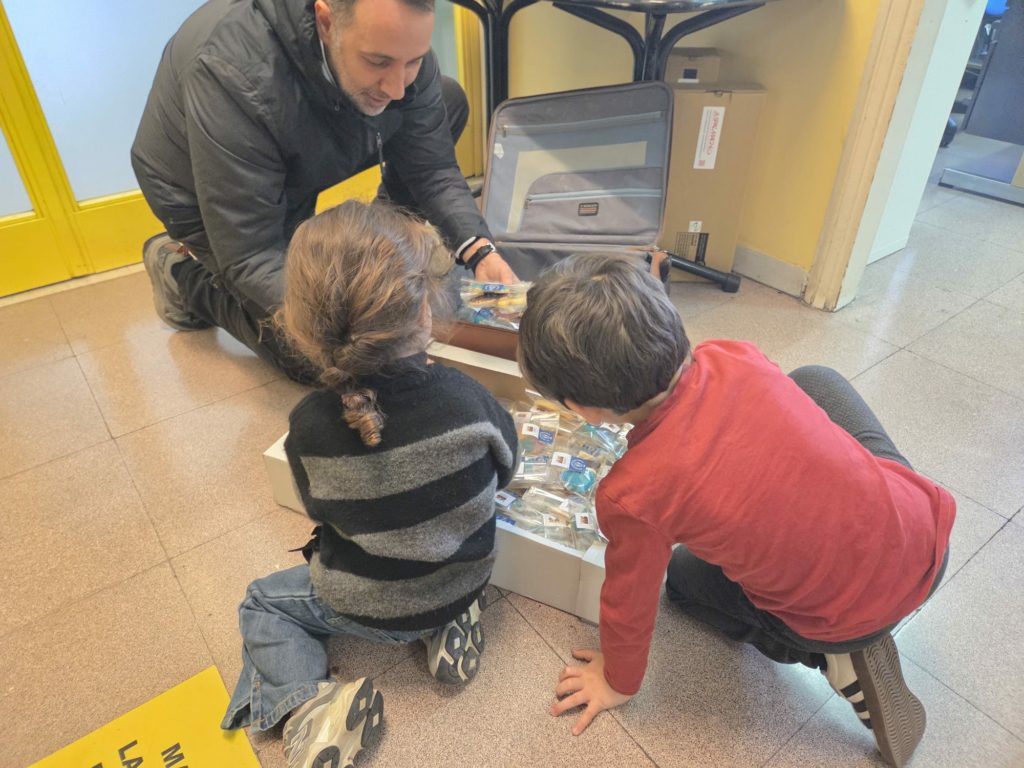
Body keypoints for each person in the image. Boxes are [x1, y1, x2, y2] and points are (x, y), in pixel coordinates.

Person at [516, 254, 955, 768]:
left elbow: (628, 601)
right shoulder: (734, 354)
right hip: (925, 535)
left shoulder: (631, 494)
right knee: (815, 379)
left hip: (835, 620)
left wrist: (618, 680)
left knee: (682, 580)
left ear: (582, 409)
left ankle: (831, 656)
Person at [221, 200, 518, 767]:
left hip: (366, 606)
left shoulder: (310, 426)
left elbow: (321, 513)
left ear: (300, 324)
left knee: (262, 603)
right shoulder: (469, 399)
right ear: (425, 309)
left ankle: (307, 707)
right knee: (437, 552)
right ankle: (447, 625)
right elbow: (507, 468)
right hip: (464, 579)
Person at [132, 0, 517, 383]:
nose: (398, 88)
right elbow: (252, 253)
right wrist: (368, 329)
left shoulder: (394, 47)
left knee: (445, 101)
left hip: (302, 135)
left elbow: (432, 169)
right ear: (326, 22)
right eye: (378, 62)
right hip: (203, 190)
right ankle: (182, 276)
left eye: (414, 61)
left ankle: (377, 247)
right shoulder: (231, 74)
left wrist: (480, 250)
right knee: (326, 356)